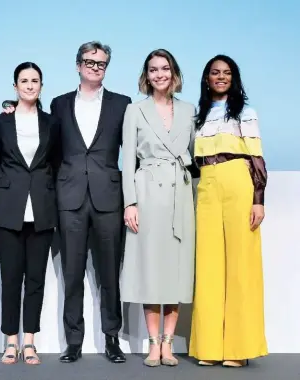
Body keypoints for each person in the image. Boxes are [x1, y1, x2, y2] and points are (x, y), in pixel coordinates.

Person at [3, 41, 131, 363]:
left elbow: (130, 153)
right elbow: (36, 132)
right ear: (78, 65)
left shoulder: (123, 104)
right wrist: (9, 107)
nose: (95, 67)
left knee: (109, 274)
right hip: (69, 198)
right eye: (89, 61)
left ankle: (112, 339)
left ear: (106, 68)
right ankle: (73, 341)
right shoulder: (59, 105)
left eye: (101, 63)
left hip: (108, 198)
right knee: (72, 274)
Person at [188, 54, 268, 368]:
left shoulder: (245, 111)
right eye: (215, 73)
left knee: (240, 264)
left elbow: (257, 156)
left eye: (227, 73)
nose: (221, 77)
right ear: (206, 79)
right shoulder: (199, 115)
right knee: (207, 265)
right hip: (207, 183)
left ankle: (237, 348)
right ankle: (208, 346)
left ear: (233, 78)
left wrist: (258, 198)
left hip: (238, 179)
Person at [120, 49, 196, 367]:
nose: (159, 74)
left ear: (174, 73)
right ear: (146, 75)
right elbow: (127, 162)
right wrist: (130, 202)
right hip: (147, 192)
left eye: (165, 69)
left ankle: (168, 344)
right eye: (153, 70)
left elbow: (194, 155)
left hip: (181, 193)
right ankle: (153, 345)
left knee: (176, 270)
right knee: (151, 269)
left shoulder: (190, 109)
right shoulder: (134, 111)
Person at [0, 62, 60, 365]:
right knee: (10, 277)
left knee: (36, 279)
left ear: (41, 85)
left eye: (35, 81)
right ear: (15, 86)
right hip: (8, 209)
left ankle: (29, 340)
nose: (30, 86)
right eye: (24, 81)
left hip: (42, 208)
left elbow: (55, 166)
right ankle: (11, 340)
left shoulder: (52, 122)